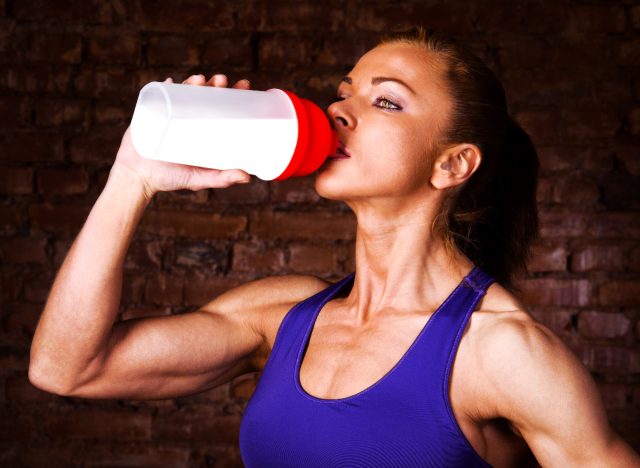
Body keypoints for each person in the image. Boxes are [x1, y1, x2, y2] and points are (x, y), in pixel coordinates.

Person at [29, 28, 639, 467]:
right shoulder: (280, 317)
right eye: (345, 92)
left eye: (386, 101)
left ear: (453, 164)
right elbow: (66, 368)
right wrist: (131, 178)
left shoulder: (501, 352)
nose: (341, 111)